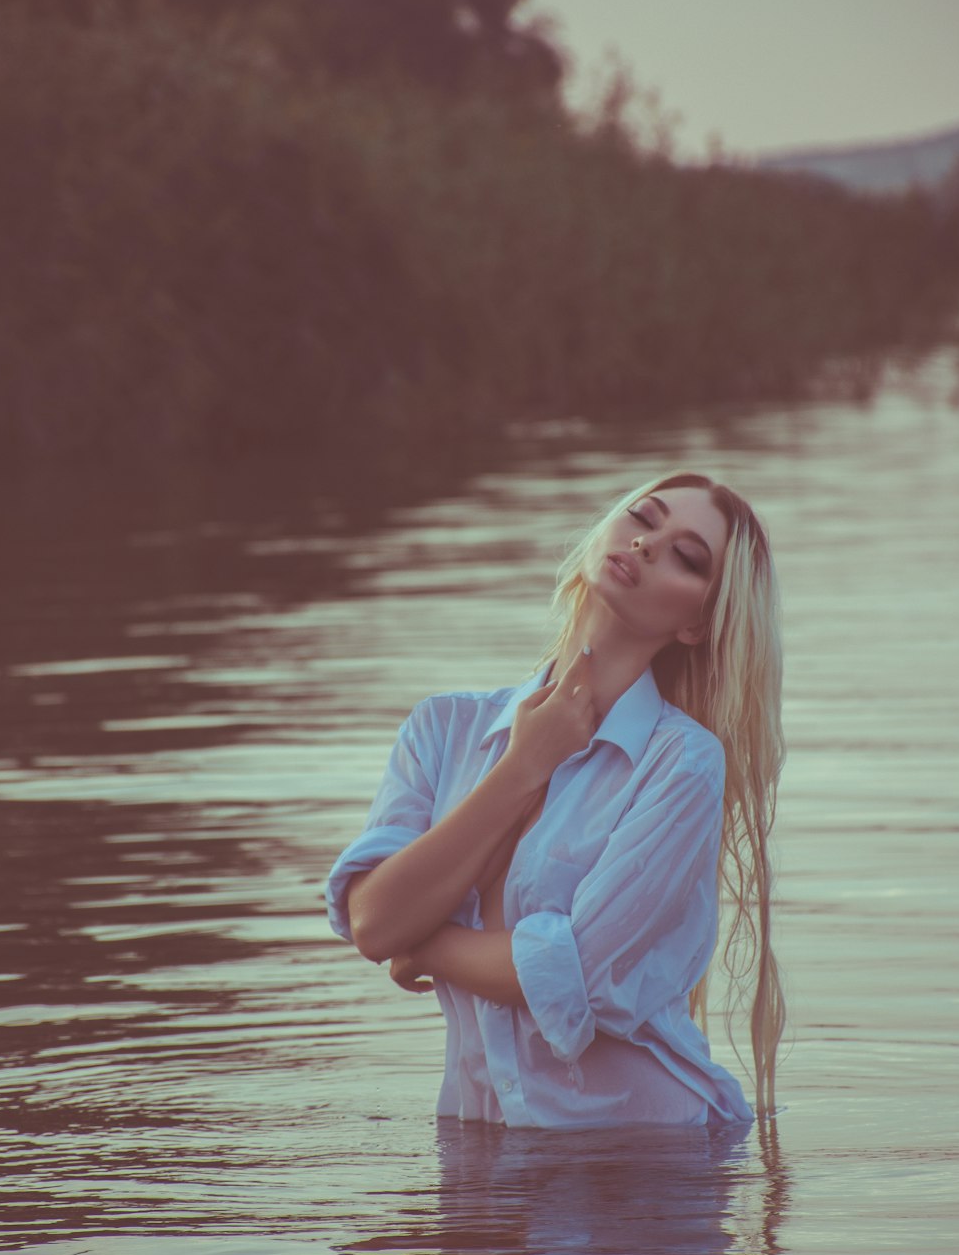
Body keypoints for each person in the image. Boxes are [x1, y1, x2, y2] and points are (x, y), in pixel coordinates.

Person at [325, 472, 785, 1127]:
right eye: (641, 518)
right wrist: (524, 765)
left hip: (649, 1166)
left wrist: (424, 945)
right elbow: (372, 921)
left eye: (687, 557)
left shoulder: (682, 765)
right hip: (481, 1143)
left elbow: (574, 972)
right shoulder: (442, 729)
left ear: (696, 624)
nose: (648, 545)